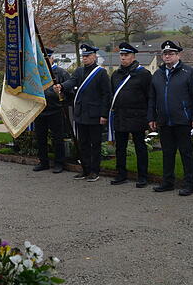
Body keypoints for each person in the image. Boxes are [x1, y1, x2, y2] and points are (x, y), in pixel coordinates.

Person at [148, 40, 193, 196]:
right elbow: (152, 98)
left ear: (178, 55)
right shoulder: (157, 74)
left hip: (184, 121)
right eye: (165, 54)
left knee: (186, 153)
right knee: (167, 152)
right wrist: (152, 117)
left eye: (170, 54)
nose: (167, 56)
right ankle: (167, 182)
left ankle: (189, 184)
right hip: (164, 121)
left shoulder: (189, 72)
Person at [54, 44, 110, 182]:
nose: (85, 58)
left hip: (94, 114)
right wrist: (61, 86)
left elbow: (106, 95)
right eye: (83, 56)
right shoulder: (79, 71)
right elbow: (71, 81)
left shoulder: (100, 73)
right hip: (81, 114)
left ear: (94, 56)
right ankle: (85, 169)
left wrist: (104, 114)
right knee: (83, 144)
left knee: (95, 144)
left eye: (87, 56)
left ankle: (94, 171)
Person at [109, 43, 152, 187]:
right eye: (121, 55)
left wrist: (150, 116)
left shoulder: (144, 74)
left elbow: (149, 97)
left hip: (137, 116)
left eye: (126, 55)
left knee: (140, 147)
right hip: (120, 115)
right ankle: (121, 174)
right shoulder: (116, 74)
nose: (123, 58)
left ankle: (143, 176)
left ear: (133, 56)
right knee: (120, 147)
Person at [32, 47, 69, 173]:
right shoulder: (36, 73)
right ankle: (43, 162)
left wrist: (62, 94)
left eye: (47, 58)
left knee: (57, 138)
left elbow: (68, 91)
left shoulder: (61, 73)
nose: (45, 61)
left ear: (52, 58)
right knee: (40, 138)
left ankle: (59, 163)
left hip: (55, 110)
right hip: (40, 109)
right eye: (42, 59)